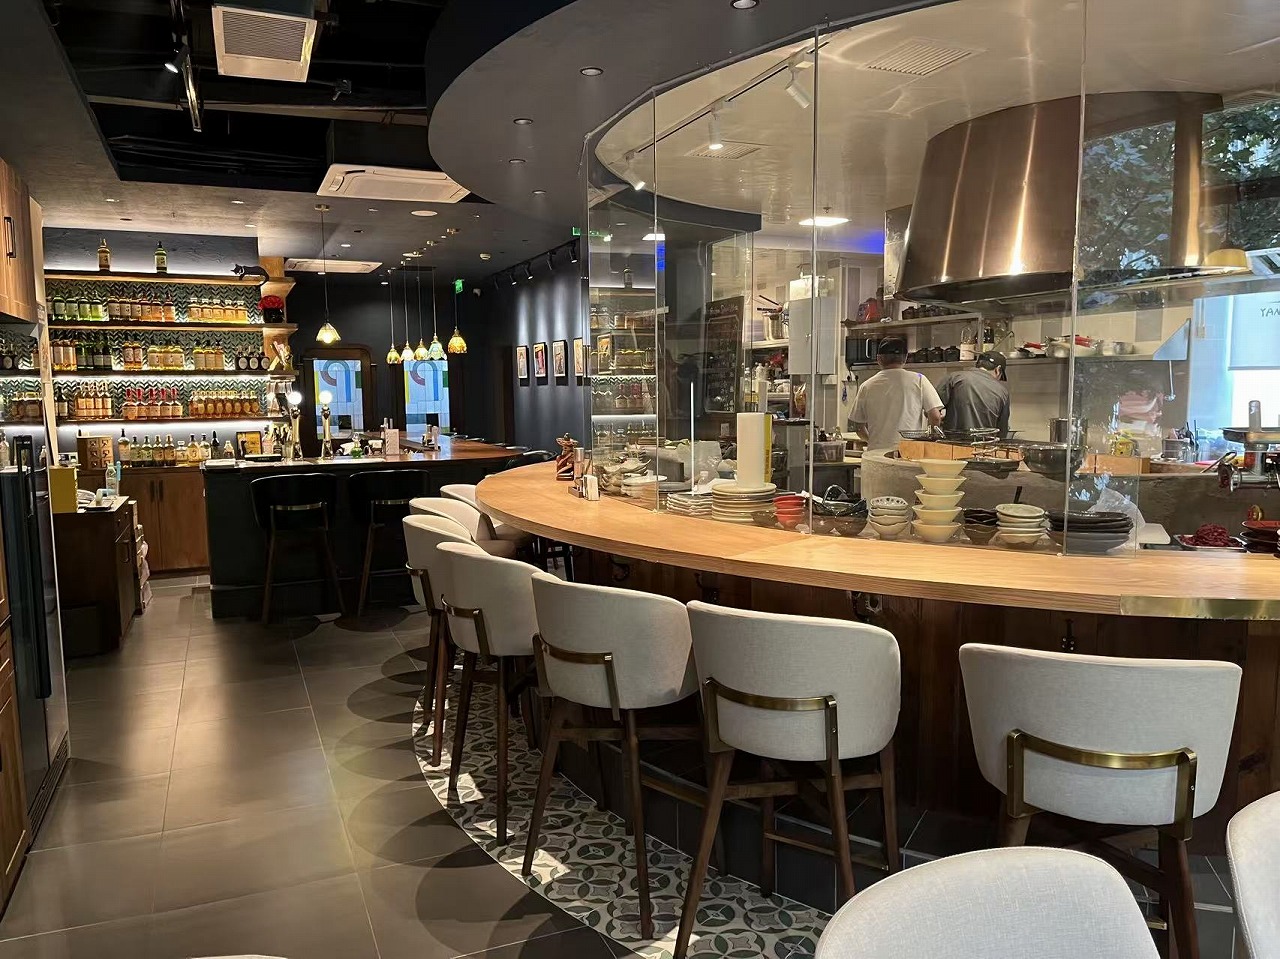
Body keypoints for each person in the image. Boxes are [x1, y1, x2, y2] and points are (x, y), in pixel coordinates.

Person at [849, 337, 944, 450]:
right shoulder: (919, 379)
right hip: (909, 451)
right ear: (905, 358)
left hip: (876, 453)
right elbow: (935, 417)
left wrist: (874, 442)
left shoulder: (866, 386)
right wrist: (929, 442)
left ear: (879, 359)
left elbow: (858, 427)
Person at [937, 351, 1011, 436]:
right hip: (984, 443)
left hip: (951, 443)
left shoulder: (954, 378)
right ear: (998, 370)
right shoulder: (1002, 392)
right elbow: (1002, 432)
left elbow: (932, 410)